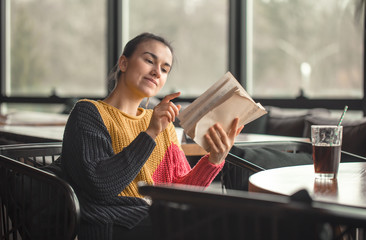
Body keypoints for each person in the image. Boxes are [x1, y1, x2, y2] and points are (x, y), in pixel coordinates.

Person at [60, 32, 243, 240]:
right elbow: (100, 186)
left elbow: (180, 192)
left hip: (152, 217)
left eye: (165, 69)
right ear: (123, 63)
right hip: (111, 222)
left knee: (233, 217)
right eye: (149, 61)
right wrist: (150, 133)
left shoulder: (162, 124)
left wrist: (214, 160)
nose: (157, 72)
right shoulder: (88, 113)